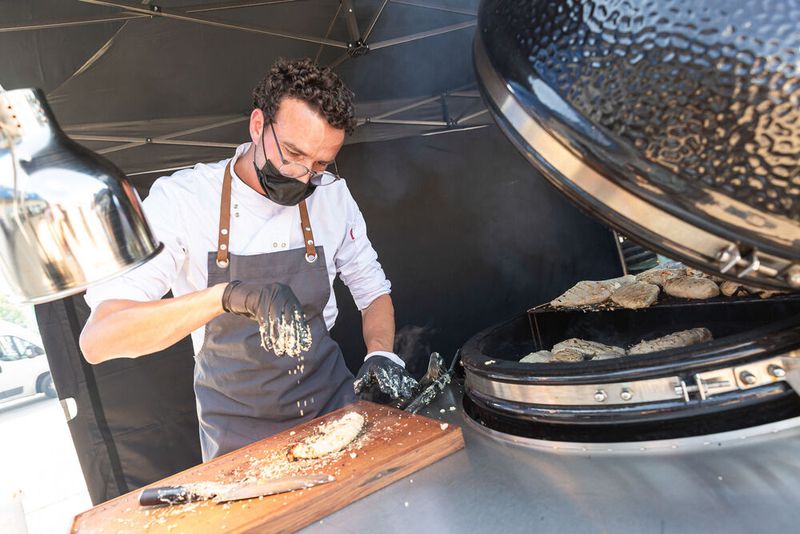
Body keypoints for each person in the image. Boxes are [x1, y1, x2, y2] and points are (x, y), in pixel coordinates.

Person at [79, 58, 417, 461]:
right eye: (292, 153)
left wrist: (381, 353)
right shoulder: (184, 201)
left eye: (320, 164)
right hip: (237, 440)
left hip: (335, 415)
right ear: (258, 125)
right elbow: (100, 338)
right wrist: (224, 296)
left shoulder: (333, 196)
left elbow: (373, 290)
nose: (302, 176)